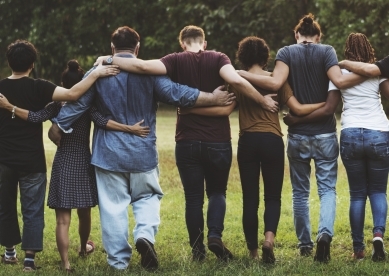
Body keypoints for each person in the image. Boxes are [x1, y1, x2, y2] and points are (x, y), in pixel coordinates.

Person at [48, 26, 235, 271]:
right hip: (143, 150)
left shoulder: (99, 71)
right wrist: (212, 97)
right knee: (147, 197)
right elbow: (176, 93)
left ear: (112, 48)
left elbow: (78, 101)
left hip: (109, 154)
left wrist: (59, 124)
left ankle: (118, 261)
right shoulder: (150, 72)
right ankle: (144, 236)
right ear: (138, 48)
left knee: (113, 207)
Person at [94, 25, 279, 262]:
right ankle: (214, 236)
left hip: (186, 141)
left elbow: (140, 65)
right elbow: (237, 82)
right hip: (218, 140)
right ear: (205, 42)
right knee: (217, 193)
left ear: (182, 43)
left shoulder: (174, 60)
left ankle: (197, 251)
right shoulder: (219, 58)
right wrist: (262, 100)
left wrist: (109, 58)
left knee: (193, 198)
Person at [179, 36, 324, 263]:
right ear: (266, 56)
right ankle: (269, 241)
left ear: (242, 57)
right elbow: (297, 108)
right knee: (273, 197)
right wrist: (325, 105)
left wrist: (188, 111)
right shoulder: (276, 80)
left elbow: (224, 111)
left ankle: (254, 253)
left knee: (250, 199)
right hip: (272, 141)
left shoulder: (237, 81)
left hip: (247, 142)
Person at [236, 14, 366, 262]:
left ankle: (305, 245)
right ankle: (324, 235)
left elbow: (275, 81)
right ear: (318, 36)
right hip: (326, 133)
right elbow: (338, 82)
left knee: (299, 193)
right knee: (327, 190)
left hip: (297, 136)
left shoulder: (286, 52)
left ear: (297, 35)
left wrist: (237, 74)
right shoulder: (327, 51)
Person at [0, 59, 149, 272]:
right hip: (83, 162)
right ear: (83, 83)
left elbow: (34, 117)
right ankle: (82, 248)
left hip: (62, 163)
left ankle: (65, 263)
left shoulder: (55, 106)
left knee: (62, 220)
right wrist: (129, 129)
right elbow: (103, 121)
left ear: (62, 82)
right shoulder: (88, 106)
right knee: (84, 212)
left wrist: (9, 107)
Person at [288, 33, 389, 261]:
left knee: (357, 195)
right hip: (379, 132)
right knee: (378, 191)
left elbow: (329, 107)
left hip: (351, 132)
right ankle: (378, 237)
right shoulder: (377, 71)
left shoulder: (338, 74)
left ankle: (358, 250)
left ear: (347, 51)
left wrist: (297, 118)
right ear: (368, 49)